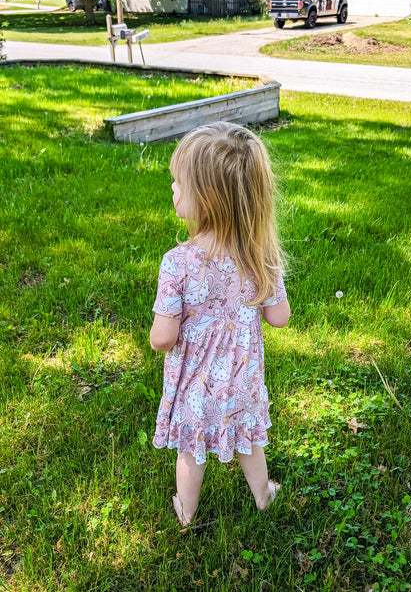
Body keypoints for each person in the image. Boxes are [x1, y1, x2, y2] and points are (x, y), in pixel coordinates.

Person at [150, 121, 291, 526]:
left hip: (194, 386)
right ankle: (263, 496)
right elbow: (279, 318)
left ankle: (187, 512)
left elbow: (162, 338)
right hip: (242, 381)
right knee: (249, 440)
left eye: (180, 183)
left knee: (190, 450)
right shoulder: (260, 256)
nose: (173, 188)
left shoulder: (176, 263)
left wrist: (161, 336)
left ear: (209, 199)